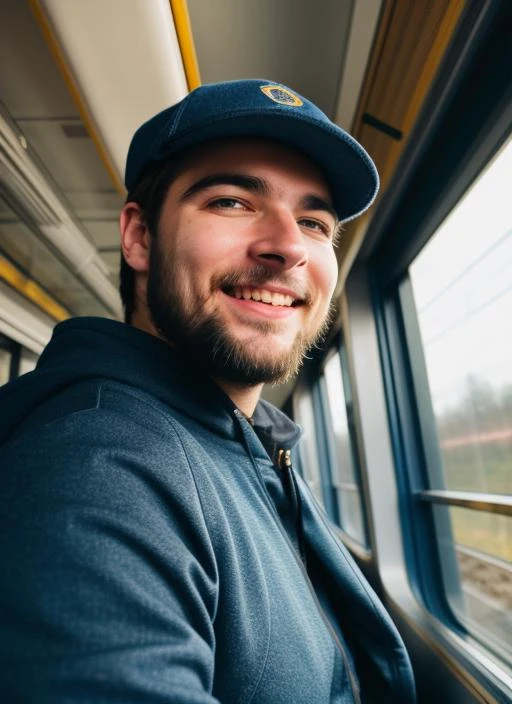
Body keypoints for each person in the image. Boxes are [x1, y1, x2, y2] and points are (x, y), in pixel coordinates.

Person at [0, 79, 415, 702]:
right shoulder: (98, 468)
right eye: (231, 201)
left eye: (314, 221)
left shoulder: (245, 443)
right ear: (139, 237)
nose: (287, 246)